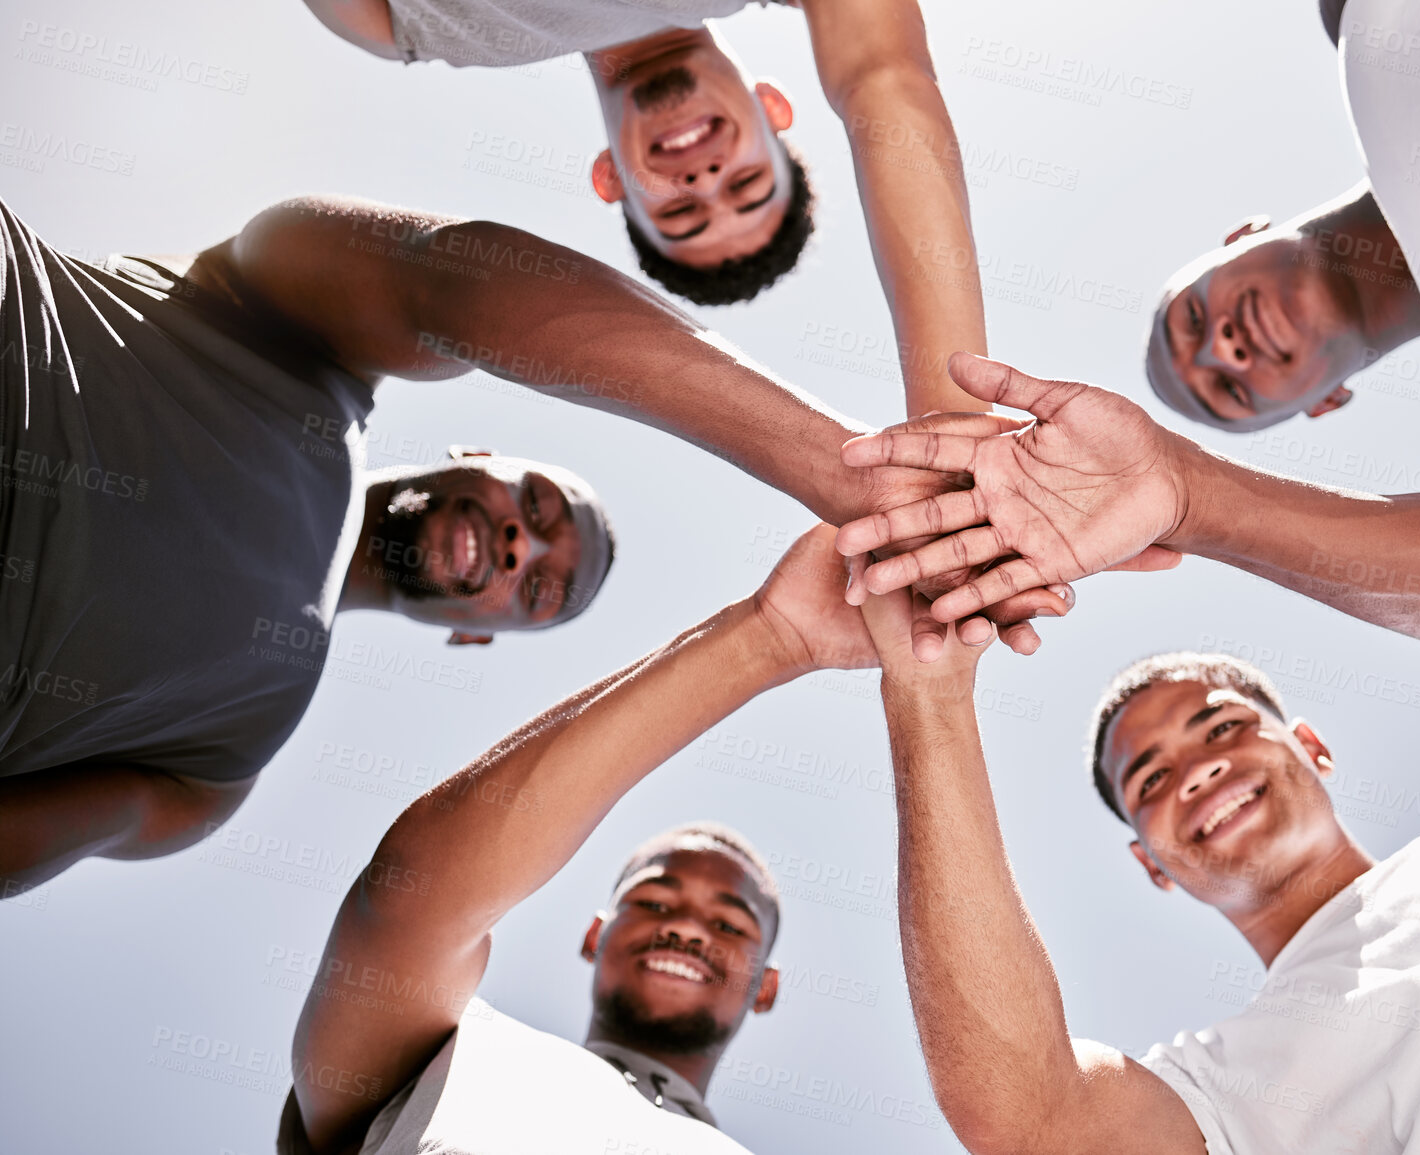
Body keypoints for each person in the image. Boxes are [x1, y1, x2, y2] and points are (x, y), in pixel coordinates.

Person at [0, 194, 1063, 891]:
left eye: (540, 589)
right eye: (539, 511)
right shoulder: (297, 339)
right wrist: (847, 471)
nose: (520, 550)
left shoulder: (221, 765)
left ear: (480, 639)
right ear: (477, 448)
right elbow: (454, 280)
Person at [833, 0, 1420, 659]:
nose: (1222, 347)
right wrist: (1190, 493)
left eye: (1193, 318)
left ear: (1240, 237)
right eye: (1226, 388)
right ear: (1323, 401)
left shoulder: (1360, 27)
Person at [858, 613, 1420, 1154]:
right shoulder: (1223, 1092)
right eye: (1151, 781)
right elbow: (1027, 1120)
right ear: (1150, 864)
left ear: (1310, 746)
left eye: (1221, 727)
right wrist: (927, 694)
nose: (1197, 771)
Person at [279, 524, 875, 1154]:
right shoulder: (448, 1052)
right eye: (654, 901)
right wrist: (768, 637)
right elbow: (407, 899)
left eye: (731, 925)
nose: (689, 930)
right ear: (597, 934)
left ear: (767, 986)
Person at [301, 0, 990, 414]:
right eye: (746, 184)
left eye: (680, 212)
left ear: (611, 180)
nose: (705, 177)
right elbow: (885, 78)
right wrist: (954, 422)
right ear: (774, 109)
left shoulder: (418, 26)